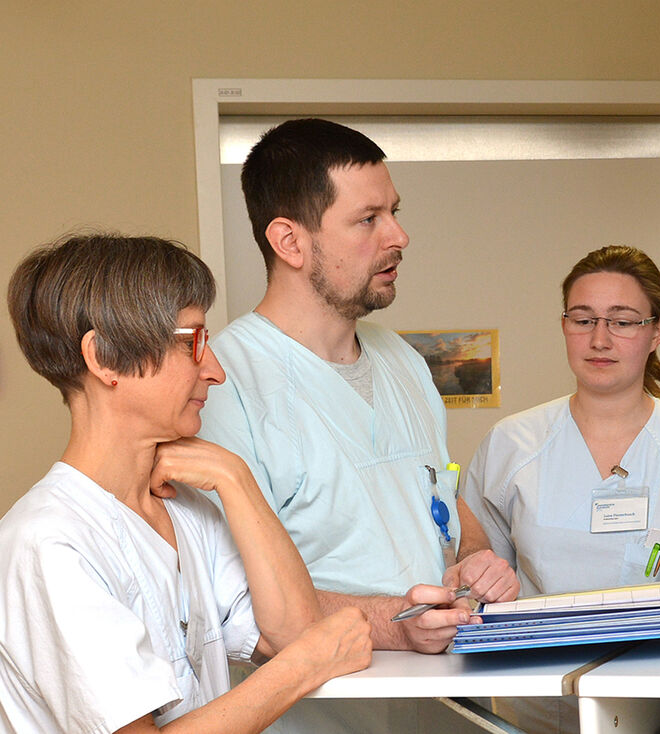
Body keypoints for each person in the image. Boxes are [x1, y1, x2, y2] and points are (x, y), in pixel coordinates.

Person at [196, 119, 518, 730]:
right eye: (368, 219)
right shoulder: (221, 381)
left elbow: (437, 497)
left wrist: (478, 564)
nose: (399, 236)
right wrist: (393, 621)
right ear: (290, 242)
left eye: (394, 212)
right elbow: (234, 602)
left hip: (440, 707)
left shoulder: (402, 361)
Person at [0, 233, 371, 733]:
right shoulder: (47, 544)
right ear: (105, 358)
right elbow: (306, 656)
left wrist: (235, 478)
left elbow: (295, 634)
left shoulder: (188, 509)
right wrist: (304, 668)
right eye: (193, 341)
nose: (215, 371)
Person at [465, 245, 660, 599]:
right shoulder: (510, 444)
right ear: (564, 325)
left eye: (623, 322)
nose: (600, 340)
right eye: (583, 320)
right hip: (543, 654)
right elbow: (479, 582)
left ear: (657, 332)